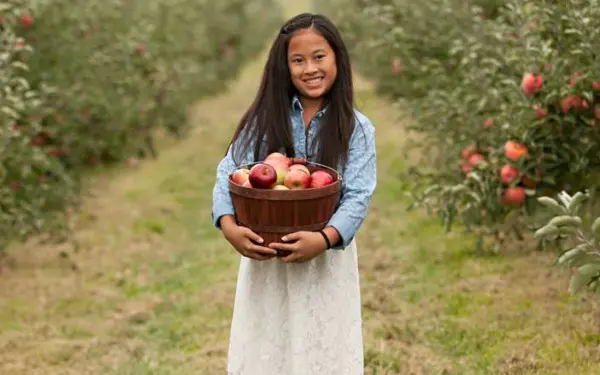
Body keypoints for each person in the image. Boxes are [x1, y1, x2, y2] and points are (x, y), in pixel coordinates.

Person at [211, 12, 377, 375]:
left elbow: (358, 196)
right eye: (297, 60)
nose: (309, 69)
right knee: (268, 344)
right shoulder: (266, 117)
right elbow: (229, 169)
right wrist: (228, 225)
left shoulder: (356, 128)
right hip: (267, 256)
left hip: (325, 261)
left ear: (337, 59)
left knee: (322, 347)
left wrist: (324, 238)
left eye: (319, 57)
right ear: (283, 68)